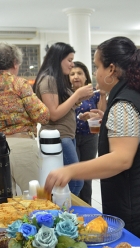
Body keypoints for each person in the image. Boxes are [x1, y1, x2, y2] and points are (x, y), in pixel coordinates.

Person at [44, 36, 140, 248]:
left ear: (111, 69)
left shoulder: (125, 103)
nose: (96, 74)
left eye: (97, 67)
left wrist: (70, 170)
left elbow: (121, 159)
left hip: (139, 202)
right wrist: (108, 121)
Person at [0, 42, 49, 194]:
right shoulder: (19, 85)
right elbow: (43, 115)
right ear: (14, 63)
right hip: (22, 146)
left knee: (1, 201)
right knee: (35, 197)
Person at [33, 42, 94, 196]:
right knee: (77, 181)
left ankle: (64, 210)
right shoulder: (48, 80)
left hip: (66, 135)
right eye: (69, 60)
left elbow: (62, 107)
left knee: (70, 180)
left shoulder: (55, 80)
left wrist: (78, 98)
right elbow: (53, 113)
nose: (71, 64)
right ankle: (63, 211)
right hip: (59, 136)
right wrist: (77, 95)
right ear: (58, 59)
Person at [69, 61, 106, 205]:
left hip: (90, 137)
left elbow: (102, 113)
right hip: (71, 137)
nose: (76, 76)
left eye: (79, 73)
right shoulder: (67, 94)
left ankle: (86, 207)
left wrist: (102, 95)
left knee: (88, 174)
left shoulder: (94, 94)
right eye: (72, 74)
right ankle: (73, 206)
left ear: (86, 77)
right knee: (75, 173)